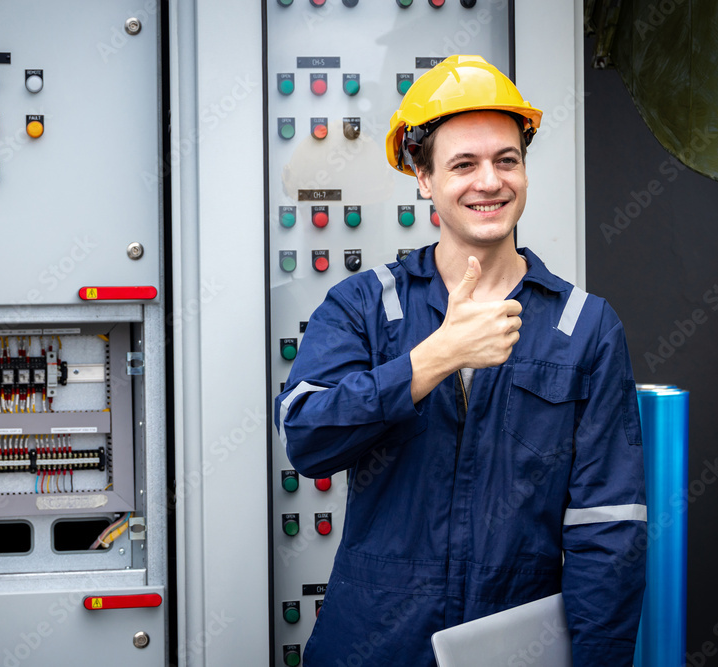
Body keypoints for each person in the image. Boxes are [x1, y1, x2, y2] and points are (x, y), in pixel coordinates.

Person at [273, 55, 646, 666]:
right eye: (463, 164)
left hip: (511, 641)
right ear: (423, 178)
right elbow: (309, 438)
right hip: (374, 642)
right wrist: (434, 358)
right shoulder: (365, 306)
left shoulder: (583, 325)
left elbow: (607, 524)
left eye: (506, 160)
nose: (489, 182)